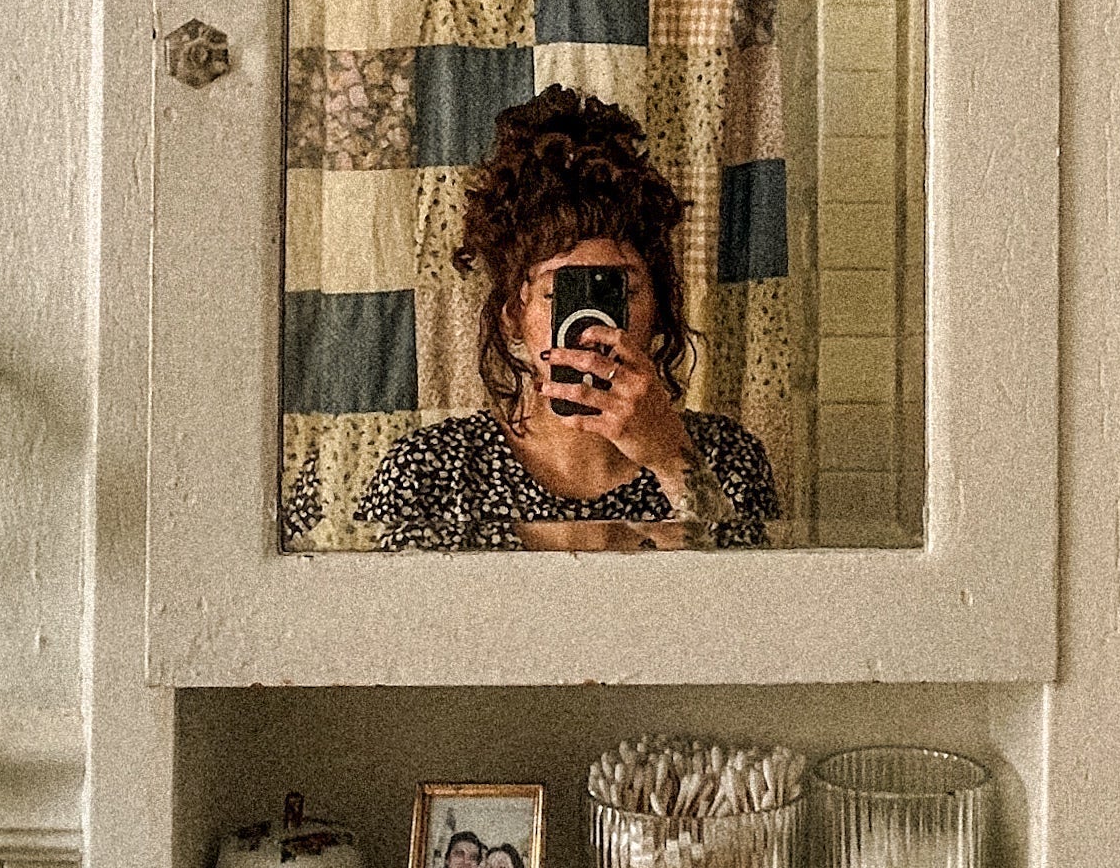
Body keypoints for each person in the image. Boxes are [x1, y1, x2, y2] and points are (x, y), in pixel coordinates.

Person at [285, 86, 778, 551]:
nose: (590, 325)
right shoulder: (432, 472)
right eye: (560, 294)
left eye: (619, 291)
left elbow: (753, 606)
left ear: (660, 312)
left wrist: (672, 460)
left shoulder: (724, 457)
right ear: (513, 318)